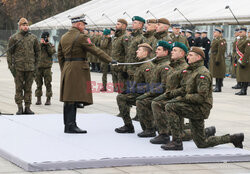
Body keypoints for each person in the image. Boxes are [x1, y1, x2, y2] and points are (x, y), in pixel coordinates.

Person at [162, 47, 244, 150]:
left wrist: (182, 97)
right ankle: (234, 138)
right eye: (188, 55)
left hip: (200, 108)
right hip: (193, 105)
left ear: (198, 57)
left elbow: (200, 97)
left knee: (171, 107)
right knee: (202, 143)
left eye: (191, 55)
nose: (188, 57)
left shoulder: (202, 73)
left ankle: (176, 142)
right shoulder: (192, 70)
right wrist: (173, 94)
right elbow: (185, 89)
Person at [57, 15, 116, 133]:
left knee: (69, 98)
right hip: (78, 68)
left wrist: (64, 68)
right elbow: (96, 50)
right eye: (83, 24)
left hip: (68, 67)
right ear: (78, 24)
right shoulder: (81, 37)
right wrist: (110, 60)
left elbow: (60, 55)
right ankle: (71, 126)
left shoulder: (64, 37)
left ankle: (68, 125)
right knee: (73, 98)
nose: (84, 27)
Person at [135, 41, 172, 137]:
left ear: (166, 52)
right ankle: (150, 128)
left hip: (163, 95)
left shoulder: (165, 66)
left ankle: (152, 129)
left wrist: (148, 93)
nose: (156, 51)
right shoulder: (158, 64)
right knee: (141, 100)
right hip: (157, 93)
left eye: (159, 49)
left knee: (143, 101)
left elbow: (164, 86)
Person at [115, 43, 154, 133]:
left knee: (124, 98)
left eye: (139, 50)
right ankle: (128, 125)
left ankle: (150, 128)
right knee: (121, 97)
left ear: (145, 53)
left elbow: (150, 86)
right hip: (138, 93)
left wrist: (133, 89)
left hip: (145, 95)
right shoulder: (141, 64)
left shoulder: (148, 66)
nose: (136, 51)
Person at [7, 17, 40, 115]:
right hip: (18, 68)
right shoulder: (14, 38)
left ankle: (28, 107)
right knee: (19, 88)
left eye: (26, 25)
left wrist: (36, 66)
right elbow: (9, 53)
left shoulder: (33, 38)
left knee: (28, 88)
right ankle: (20, 107)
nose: (25, 27)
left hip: (30, 68)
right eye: (23, 25)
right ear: (19, 26)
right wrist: (11, 67)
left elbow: (38, 52)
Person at [35, 32, 56, 105]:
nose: (45, 39)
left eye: (47, 38)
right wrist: (41, 44)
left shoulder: (51, 45)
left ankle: (48, 99)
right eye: (44, 38)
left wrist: (47, 45)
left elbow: (51, 52)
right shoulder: (38, 45)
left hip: (47, 67)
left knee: (48, 83)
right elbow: (35, 52)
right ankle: (38, 99)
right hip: (38, 67)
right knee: (38, 84)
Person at [111, 19, 129, 92]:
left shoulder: (125, 37)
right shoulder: (117, 37)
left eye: (118, 24)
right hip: (115, 66)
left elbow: (128, 53)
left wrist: (125, 68)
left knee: (122, 89)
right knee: (118, 89)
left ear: (124, 26)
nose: (116, 26)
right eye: (116, 24)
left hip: (121, 67)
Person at [209, 27, 227, 92]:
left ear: (220, 33)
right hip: (213, 57)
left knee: (218, 73)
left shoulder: (221, 40)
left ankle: (218, 87)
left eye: (215, 32)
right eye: (214, 32)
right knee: (216, 73)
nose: (214, 33)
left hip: (217, 57)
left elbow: (220, 51)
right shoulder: (215, 39)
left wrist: (218, 59)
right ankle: (217, 86)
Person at [235, 27, 250, 95]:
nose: (240, 33)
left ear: (245, 32)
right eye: (239, 32)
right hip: (240, 60)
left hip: (245, 60)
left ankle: (244, 90)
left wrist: (243, 61)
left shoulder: (247, 40)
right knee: (241, 75)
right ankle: (242, 89)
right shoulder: (240, 40)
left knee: (245, 76)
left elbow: (247, 52)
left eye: (241, 32)